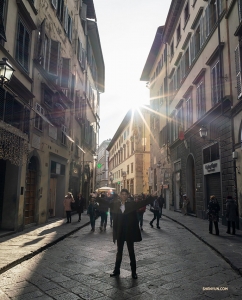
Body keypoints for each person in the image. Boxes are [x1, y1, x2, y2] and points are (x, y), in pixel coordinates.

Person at [96, 188, 155, 279]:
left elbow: (143, 202)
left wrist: (152, 197)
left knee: (131, 252)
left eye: (125, 194)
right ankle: (116, 270)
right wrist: (96, 197)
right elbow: (106, 203)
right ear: (119, 195)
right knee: (119, 252)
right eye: (122, 194)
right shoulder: (115, 205)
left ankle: (134, 272)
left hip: (129, 232)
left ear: (127, 196)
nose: (123, 195)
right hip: (120, 231)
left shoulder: (132, 204)